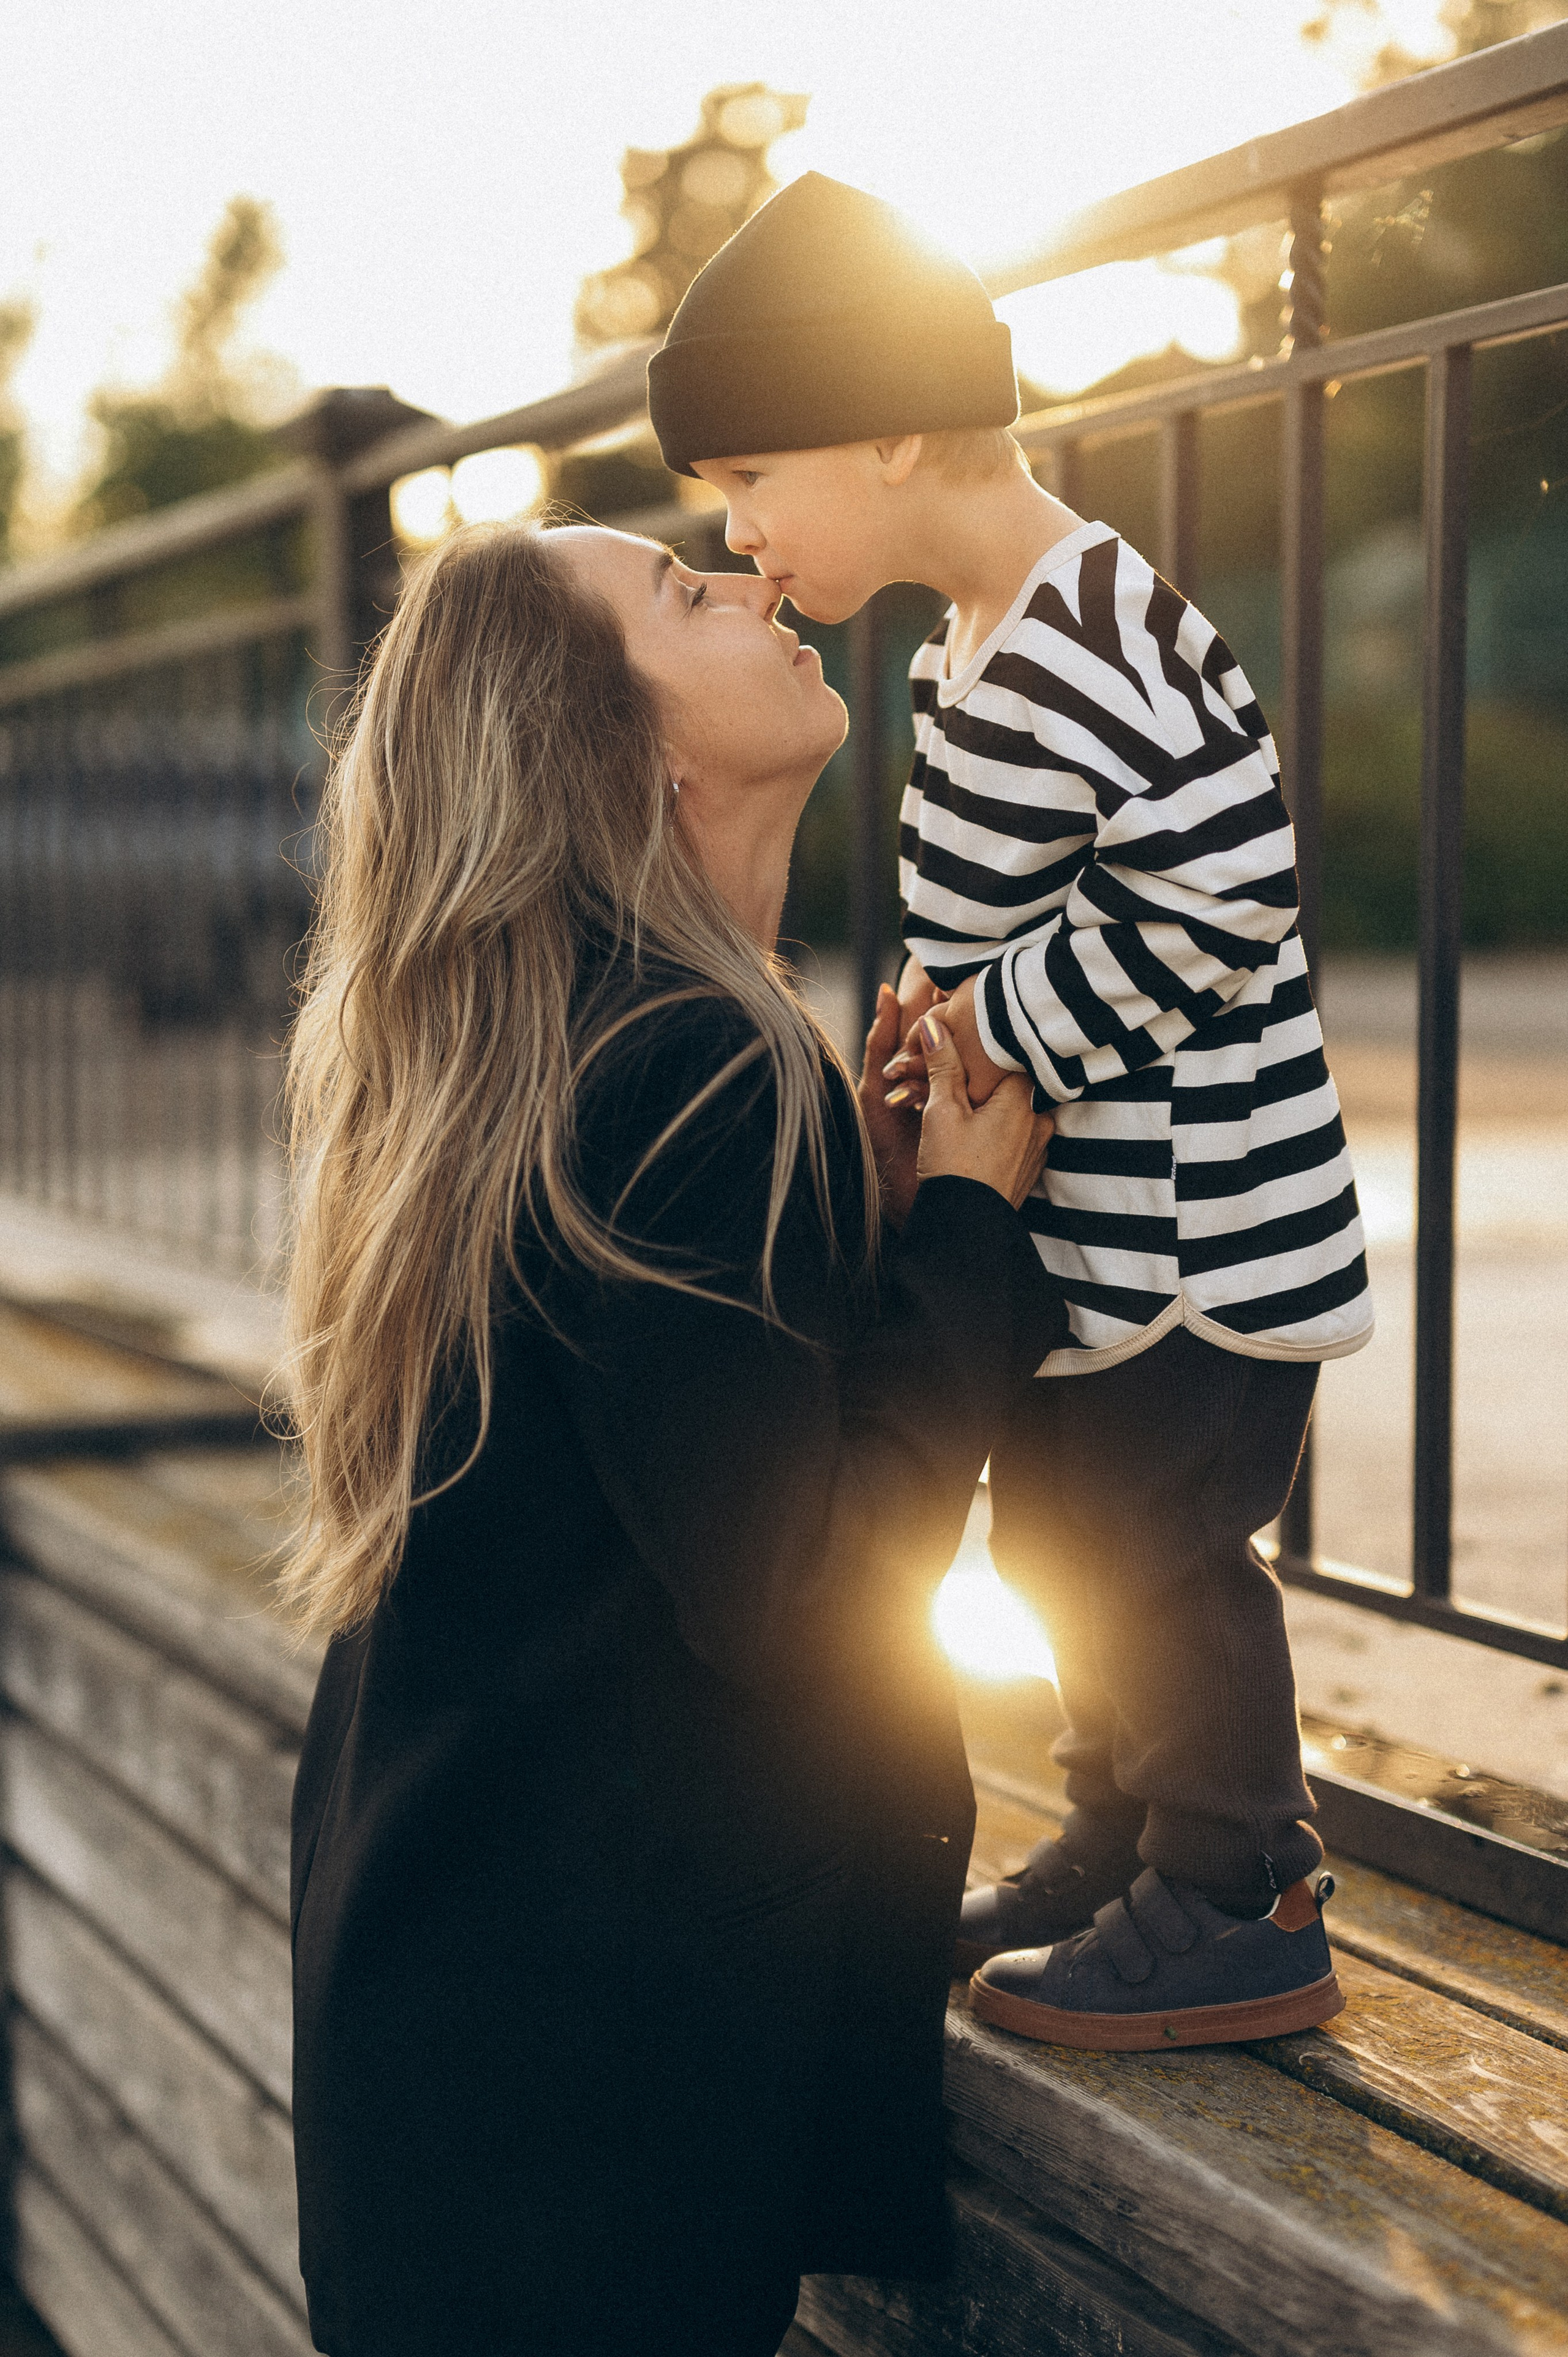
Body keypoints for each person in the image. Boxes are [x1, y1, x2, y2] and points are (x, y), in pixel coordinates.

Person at [282, 518, 1061, 2357]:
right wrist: (963, 1232)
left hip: (453, 2044)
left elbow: (664, 1463)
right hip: (574, 2144)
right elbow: (798, 1594)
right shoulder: (699, 1066)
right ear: (635, 752)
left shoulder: (567, 1050)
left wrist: (853, 1231)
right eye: (688, 597)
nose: (756, 585)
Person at [647, 170, 1368, 2052]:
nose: (745, 536)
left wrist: (1011, 1035)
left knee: (1153, 1538)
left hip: (1201, 1235)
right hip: (1096, 1232)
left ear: (893, 426)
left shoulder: (1099, 629)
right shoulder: (975, 640)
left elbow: (1229, 890)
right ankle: (1124, 1831)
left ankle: (1239, 1886)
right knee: (1056, 1534)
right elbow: (1011, 902)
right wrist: (934, 1024)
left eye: (751, 483)